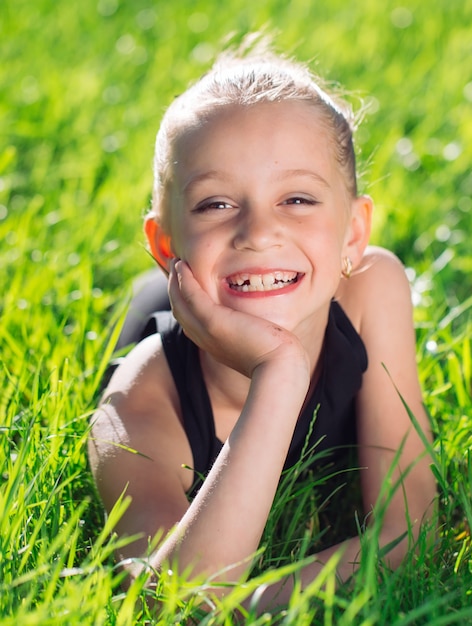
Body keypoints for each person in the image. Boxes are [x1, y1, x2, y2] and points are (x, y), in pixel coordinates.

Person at [88, 40, 436, 610]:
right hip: (179, 309)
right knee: (150, 301)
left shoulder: (372, 288)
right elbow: (169, 599)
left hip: (238, 279)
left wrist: (243, 606)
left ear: (353, 232)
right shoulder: (138, 405)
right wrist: (279, 372)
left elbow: (411, 533)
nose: (258, 231)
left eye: (296, 197)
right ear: (165, 243)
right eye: (215, 204)